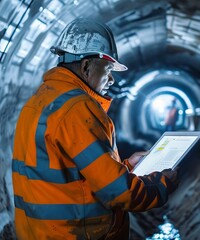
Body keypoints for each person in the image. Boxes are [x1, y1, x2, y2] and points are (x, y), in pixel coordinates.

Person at [12, 18, 179, 239]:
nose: (111, 79)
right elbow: (119, 193)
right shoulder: (78, 109)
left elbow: (76, 175)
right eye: (108, 69)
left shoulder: (39, 102)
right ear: (86, 66)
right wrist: (161, 184)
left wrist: (127, 166)